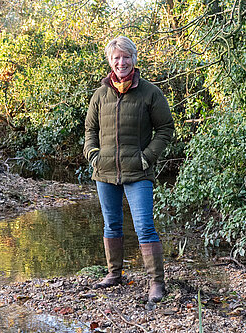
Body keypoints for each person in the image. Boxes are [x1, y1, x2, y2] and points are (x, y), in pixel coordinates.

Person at [83, 36, 174, 304]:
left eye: (126, 57)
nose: (121, 62)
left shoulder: (150, 93)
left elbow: (165, 129)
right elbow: (90, 130)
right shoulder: (100, 95)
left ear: (134, 59)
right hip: (105, 171)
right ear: (110, 62)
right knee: (111, 224)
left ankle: (156, 283)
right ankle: (114, 275)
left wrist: (147, 157)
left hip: (139, 172)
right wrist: (93, 155)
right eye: (116, 58)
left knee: (145, 227)